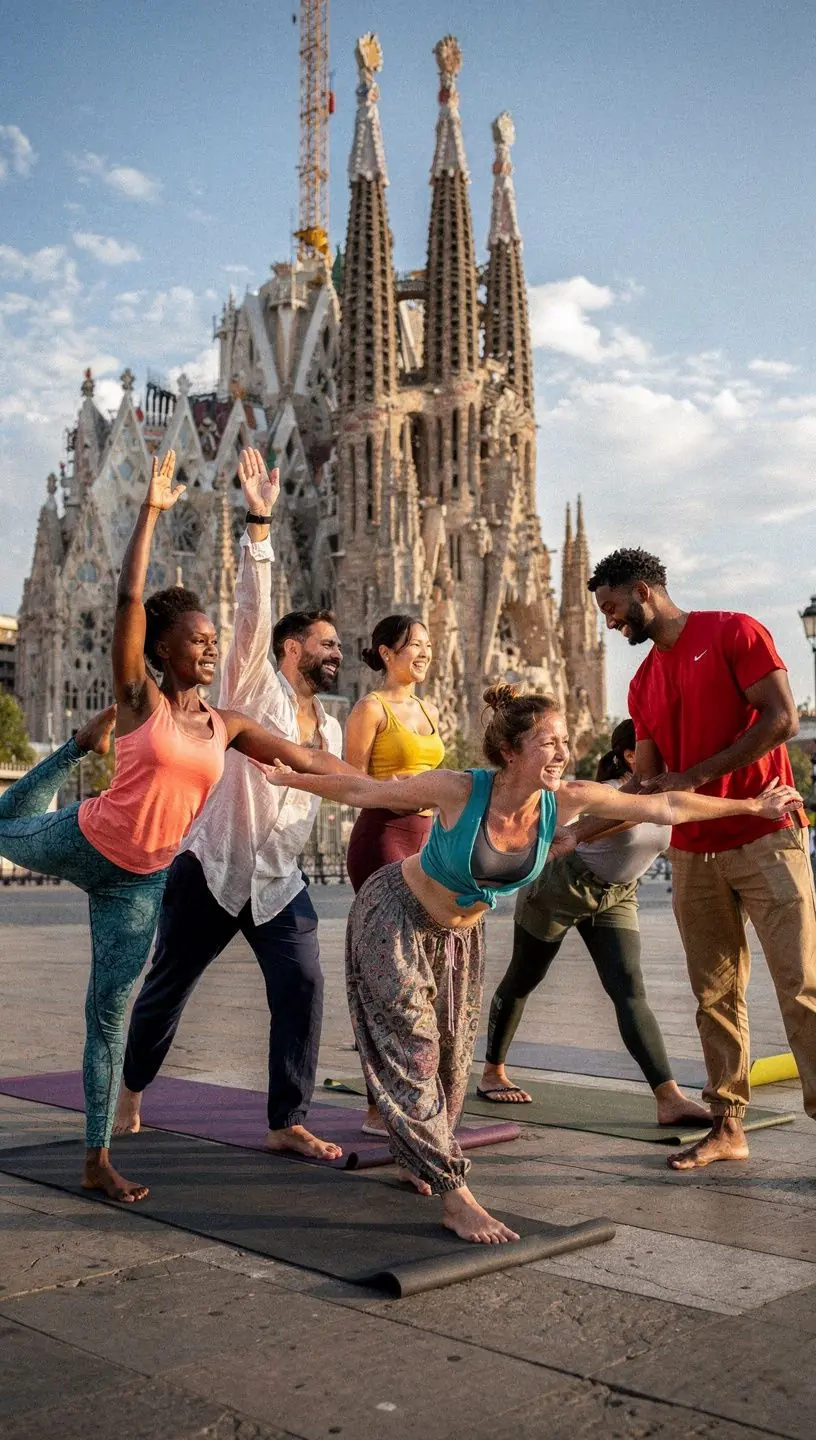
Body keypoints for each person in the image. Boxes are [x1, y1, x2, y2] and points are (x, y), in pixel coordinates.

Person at [266, 684, 800, 1242]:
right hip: (394, 917)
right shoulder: (459, 790)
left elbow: (666, 804)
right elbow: (362, 789)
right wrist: (289, 778)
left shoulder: (563, 800)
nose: (562, 753)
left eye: (565, 742)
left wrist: (750, 805)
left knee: (451, 1070)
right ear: (513, 751)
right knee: (415, 1050)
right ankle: (456, 1196)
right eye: (549, 743)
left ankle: (415, 1156)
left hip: (457, 939)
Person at [0, 450, 351, 1204]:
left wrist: (417, 789)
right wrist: (157, 512)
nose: (211, 644)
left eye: (211, 637)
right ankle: (64, 752)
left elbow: (297, 755)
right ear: (163, 650)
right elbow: (132, 597)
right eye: (197, 637)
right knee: (9, 831)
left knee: (118, 1010)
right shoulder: (141, 697)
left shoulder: (227, 721)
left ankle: (106, 1153)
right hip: (102, 843)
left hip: (152, 877)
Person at [115, 449, 348, 1163]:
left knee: (303, 986)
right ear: (289, 648)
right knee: (166, 990)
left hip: (278, 881)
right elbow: (249, 606)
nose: (337, 653)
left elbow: (341, 782)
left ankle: (287, 1118)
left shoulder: (330, 726)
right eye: (325, 643)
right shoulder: (251, 686)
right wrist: (258, 522)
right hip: (212, 867)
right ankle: (130, 1094)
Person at [589, 545, 816, 1171]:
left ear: (642, 591)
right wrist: (571, 830)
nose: (609, 623)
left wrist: (696, 776)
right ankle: (727, 1125)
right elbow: (645, 785)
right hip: (693, 853)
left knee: (802, 986)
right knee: (714, 994)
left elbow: (781, 721)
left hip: (767, 835)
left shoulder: (734, 631)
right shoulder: (642, 682)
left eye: (611, 608)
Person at [479, 719, 709, 1125]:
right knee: (523, 977)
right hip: (562, 886)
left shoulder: (668, 792)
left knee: (629, 990)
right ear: (630, 756)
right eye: (657, 750)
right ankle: (492, 1072)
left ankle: (668, 1097)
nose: (669, 758)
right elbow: (589, 827)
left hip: (617, 895)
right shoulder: (610, 793)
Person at [344, 613, 444, 1135]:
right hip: (384, 836)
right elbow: (349, 780)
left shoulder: (427, 707)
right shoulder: (369, 707)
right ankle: (375, 1105)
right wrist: (396, 787)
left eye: (428, 645)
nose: (424, 653)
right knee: (391, 973)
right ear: (386, 652)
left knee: (421, 972)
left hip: (427, 842)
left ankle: (410, 1089)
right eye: (414, 645)